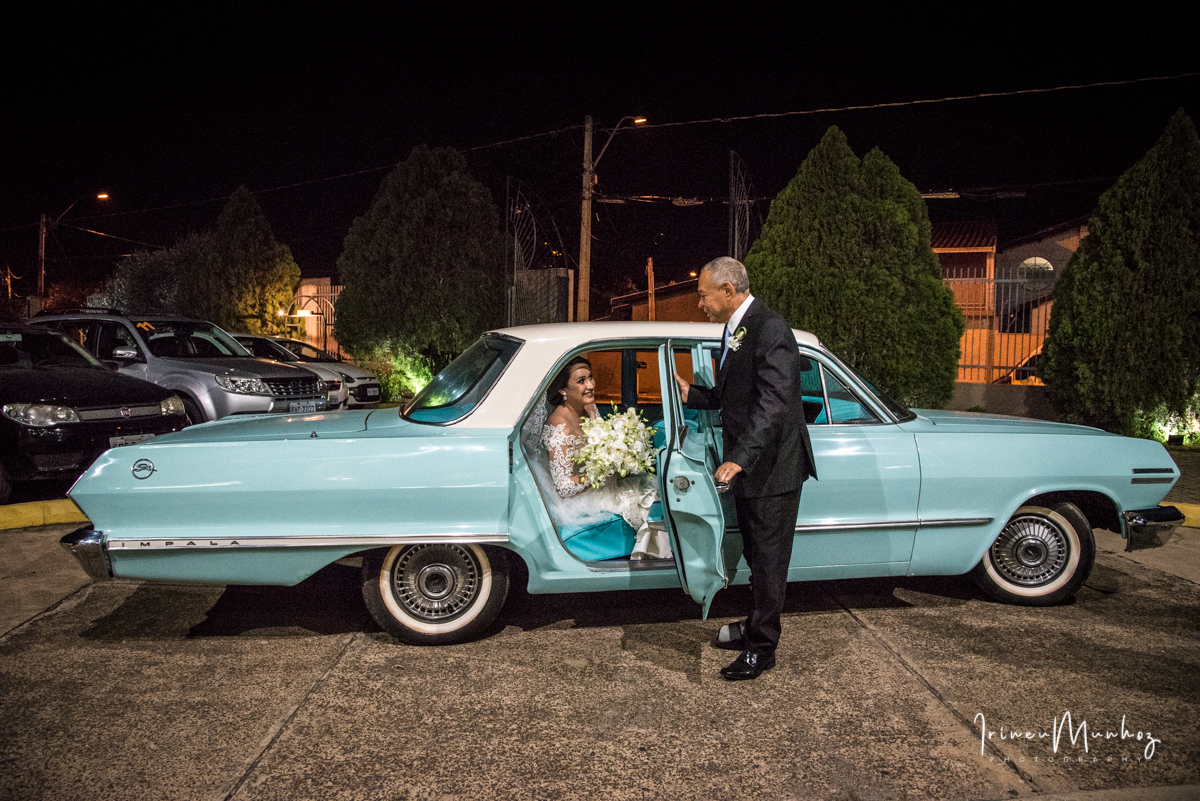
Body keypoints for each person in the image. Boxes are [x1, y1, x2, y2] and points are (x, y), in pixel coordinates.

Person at [674, 256, 817, 680]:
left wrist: (739, 458)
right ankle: (754, 626)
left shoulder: (770, 328)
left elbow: (773, 403)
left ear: (728, 291)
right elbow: (730, 395)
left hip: (773, 469)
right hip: (753, 467)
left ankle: (762, 648)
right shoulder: (734, 328)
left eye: (703, 294)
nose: (700, 303)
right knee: (756, 557)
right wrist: (692, 395)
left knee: (770, 562)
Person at [541, 356, 670, 560]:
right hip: (585, 496)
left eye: (591, 378)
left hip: (610, 482)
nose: (591, 385)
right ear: (562, 390)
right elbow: (563, 486)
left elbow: (606, 443)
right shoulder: (560, 427)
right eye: (581, 381)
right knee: (648, 499)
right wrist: (601, 472)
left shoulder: (589, 408)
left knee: (662, 490)